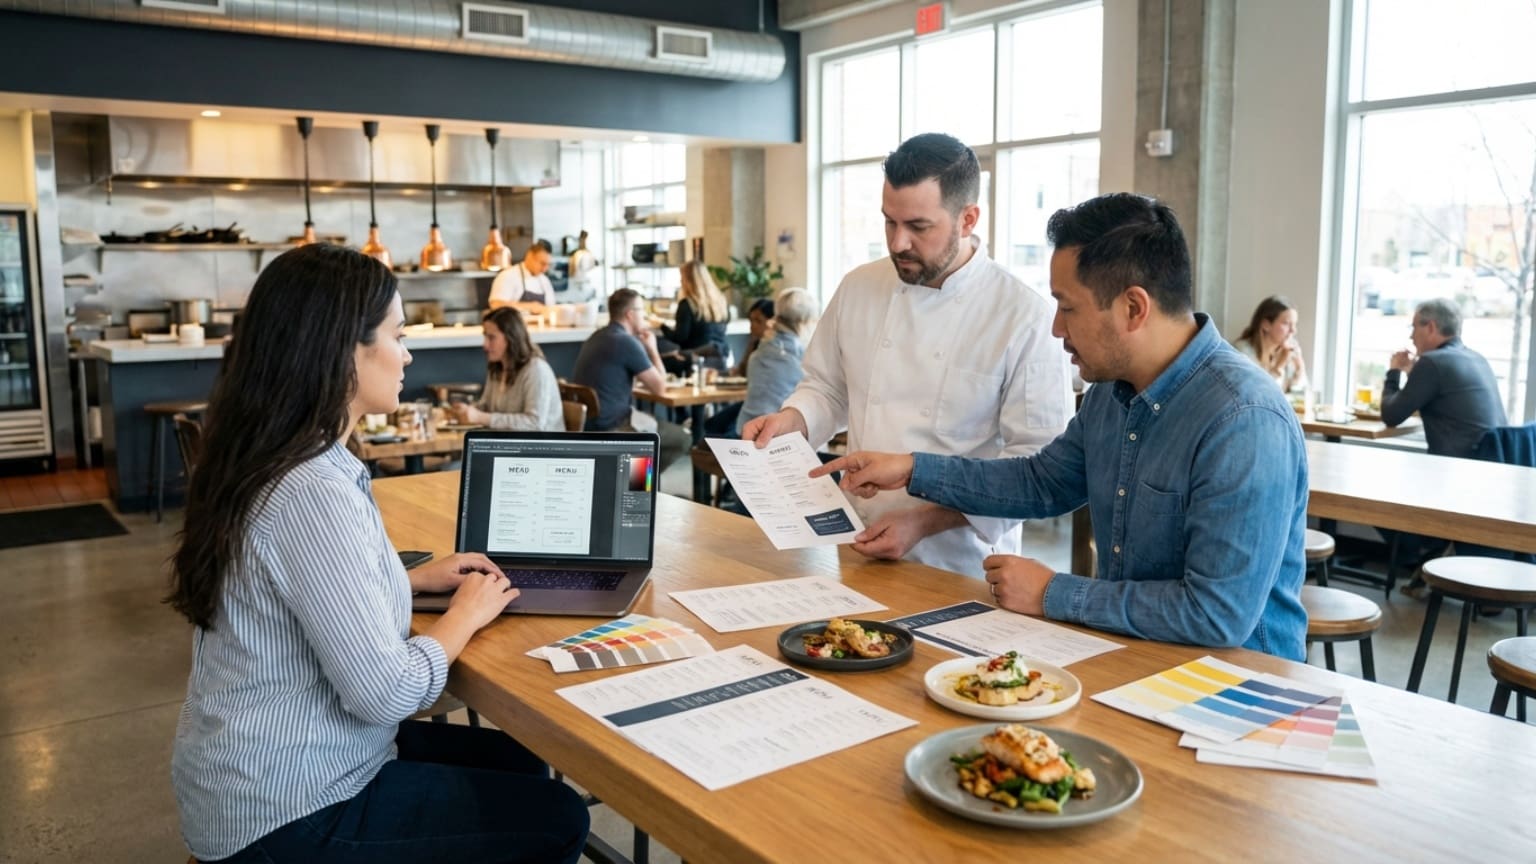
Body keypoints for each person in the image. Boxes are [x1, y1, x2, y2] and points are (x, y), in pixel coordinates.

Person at [167, 244, 588, 862]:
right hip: (287, 808)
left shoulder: (275, 456)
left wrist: (408, 578)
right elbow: (388, 694)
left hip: (259, 773)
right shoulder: (311, 490)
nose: (409, 353)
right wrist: (464, 615)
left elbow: (303, 588)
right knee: (558, 817)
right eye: (399, 334)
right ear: (345, 349)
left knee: (519, 761)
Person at [812, 193, 1309, 660]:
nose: (1056, 328)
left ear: (1134, 308)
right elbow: (1041, 483)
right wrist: (911, 469)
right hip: (1141, 659)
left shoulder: (1244, 419)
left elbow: (1216, 615)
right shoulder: (1112, 394)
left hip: (1242, 689)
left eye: (1068, 307)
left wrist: (1053, 593)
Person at [743, 132, 1071, 575]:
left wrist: (926, 520)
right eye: (888, 222)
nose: (897, 243)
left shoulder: (1023, 316)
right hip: (854, 538)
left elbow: (1036, 468)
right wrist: (793, 421)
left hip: (960, 563)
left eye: (918, 227)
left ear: (968, 218)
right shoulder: (859, 287)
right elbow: (827, 388)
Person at [1380, 297, 1508, 597]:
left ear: (1431, 327)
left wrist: (1394, 372)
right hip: (1491, 467)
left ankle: (1425, 557)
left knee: (1378, 488)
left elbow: (1391, 415)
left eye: (1414, 327)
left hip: (1458, 473)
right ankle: (1433, 559)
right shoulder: (1474, 357)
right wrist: (1416, 373)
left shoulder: (1433, 363)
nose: (1411, 335)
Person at [572, 287, 690, 469]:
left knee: (647, 424)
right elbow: (660, 387)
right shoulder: (626, 342)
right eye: (642, 310)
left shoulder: (596, 337)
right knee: (683, 437)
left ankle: (636, 482)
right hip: (614, 427)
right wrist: (652, 348)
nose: (644, 316)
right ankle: (638, 483)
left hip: (589, 426)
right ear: (630, 314)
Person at [450, 306, 564, 431]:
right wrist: (466, 411)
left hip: (541, 448)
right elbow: (486, 408)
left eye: (491, 337)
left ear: (511, 338)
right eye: (485, 337)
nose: (485, 345)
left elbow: (534, 424)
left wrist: (480, 417)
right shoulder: (496, 367)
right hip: (508, 445)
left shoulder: (536, 370)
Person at [738, 288, 817, 434]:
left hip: (746, 428)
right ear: (804, 322)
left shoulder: (762, 348)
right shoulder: (799, 354)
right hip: (777, 432)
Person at [702, 297, 775, 438]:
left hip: (764, 409)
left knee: (720, 432)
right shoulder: (756, 344)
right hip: (749, 402)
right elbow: (742, 371)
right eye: (751, 320)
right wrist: (751, 344)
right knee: (711, 425)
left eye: (758, 321)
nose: (752, 325)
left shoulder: (771, 352)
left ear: (772, 322)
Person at [657, 260, 731, 376]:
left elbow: (680, 337)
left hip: (694, 356)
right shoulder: (721, 301)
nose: (680, 282)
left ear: (688, 281)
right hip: (720, 357)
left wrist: (661, 326)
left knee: (657, 360)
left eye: (682, 279)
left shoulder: (687, 304)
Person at [1233, 295, 1308, 393]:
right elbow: (1258, 396)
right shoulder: (1242, 353)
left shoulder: (1286, 351)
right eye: (1286, 323)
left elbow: (1300, 396)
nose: (1293, 330)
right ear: (1266, 325)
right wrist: (1278, 367)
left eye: (1294, 324)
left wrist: (1300, 367)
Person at [488, 239, 554, 315]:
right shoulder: (507, 276)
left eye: (548, 265)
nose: (545, 269)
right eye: (542, 263)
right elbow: (495, 305)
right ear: (530, 256)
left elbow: (551, 308)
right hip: (513, 326)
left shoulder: (544, 281)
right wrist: (529, 306)